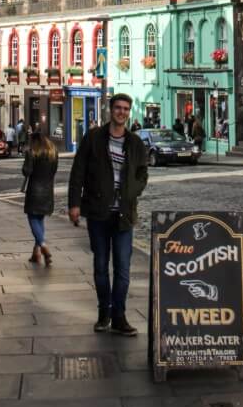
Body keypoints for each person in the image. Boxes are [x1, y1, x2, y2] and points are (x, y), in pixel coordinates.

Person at [68, 92, 148, 336]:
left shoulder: (135, 143)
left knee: (123, 269)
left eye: (126, 109)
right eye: (118, 108)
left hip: (124, 214)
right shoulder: (93, 138)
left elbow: (142, 175)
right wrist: (74, 204)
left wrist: (129, 192)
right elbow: (77, 172)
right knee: (101, 266)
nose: (121, 112)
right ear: (110, 110)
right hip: (98, 213)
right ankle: (104, 312)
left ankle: (119, 316)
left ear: (129, 112)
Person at [22, 131, 59, 266]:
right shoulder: (53, 152)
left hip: (34, 191)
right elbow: (54, 171)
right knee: (40, 220)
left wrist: (27, 158)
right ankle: (36, 253)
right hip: (48, 191)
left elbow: (27, 171)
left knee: (33, 218)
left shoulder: (32, 152)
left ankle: (43, 245)